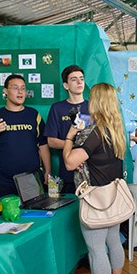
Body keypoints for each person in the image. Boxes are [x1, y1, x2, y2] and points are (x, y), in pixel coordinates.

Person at [62, 83, 127, 274]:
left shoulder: (95, 133)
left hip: (96, 199)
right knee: (113, 241)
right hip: (113, 197)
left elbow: (69, 162)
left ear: (97, 102)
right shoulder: (116, 130)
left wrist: (70, 137)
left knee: (97, 249)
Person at [0, 74, 51, 198]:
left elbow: (43, 145)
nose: (20, 92)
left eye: (23, 88)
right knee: (6, 209)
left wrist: (48, 171)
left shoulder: (34, 115)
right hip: (4, 179)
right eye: (15, 88)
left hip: (32, 178)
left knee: (35, 209)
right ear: (5, 91)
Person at [45, 65, 89, 194]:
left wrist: (84, 153)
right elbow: (51, 141)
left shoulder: (93, 107)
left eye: (81, 78)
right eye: (74, 79)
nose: (79, 82)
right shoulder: (57, 108)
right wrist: (75, 149)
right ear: (66, 85)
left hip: (92, 172)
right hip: (68, 172)